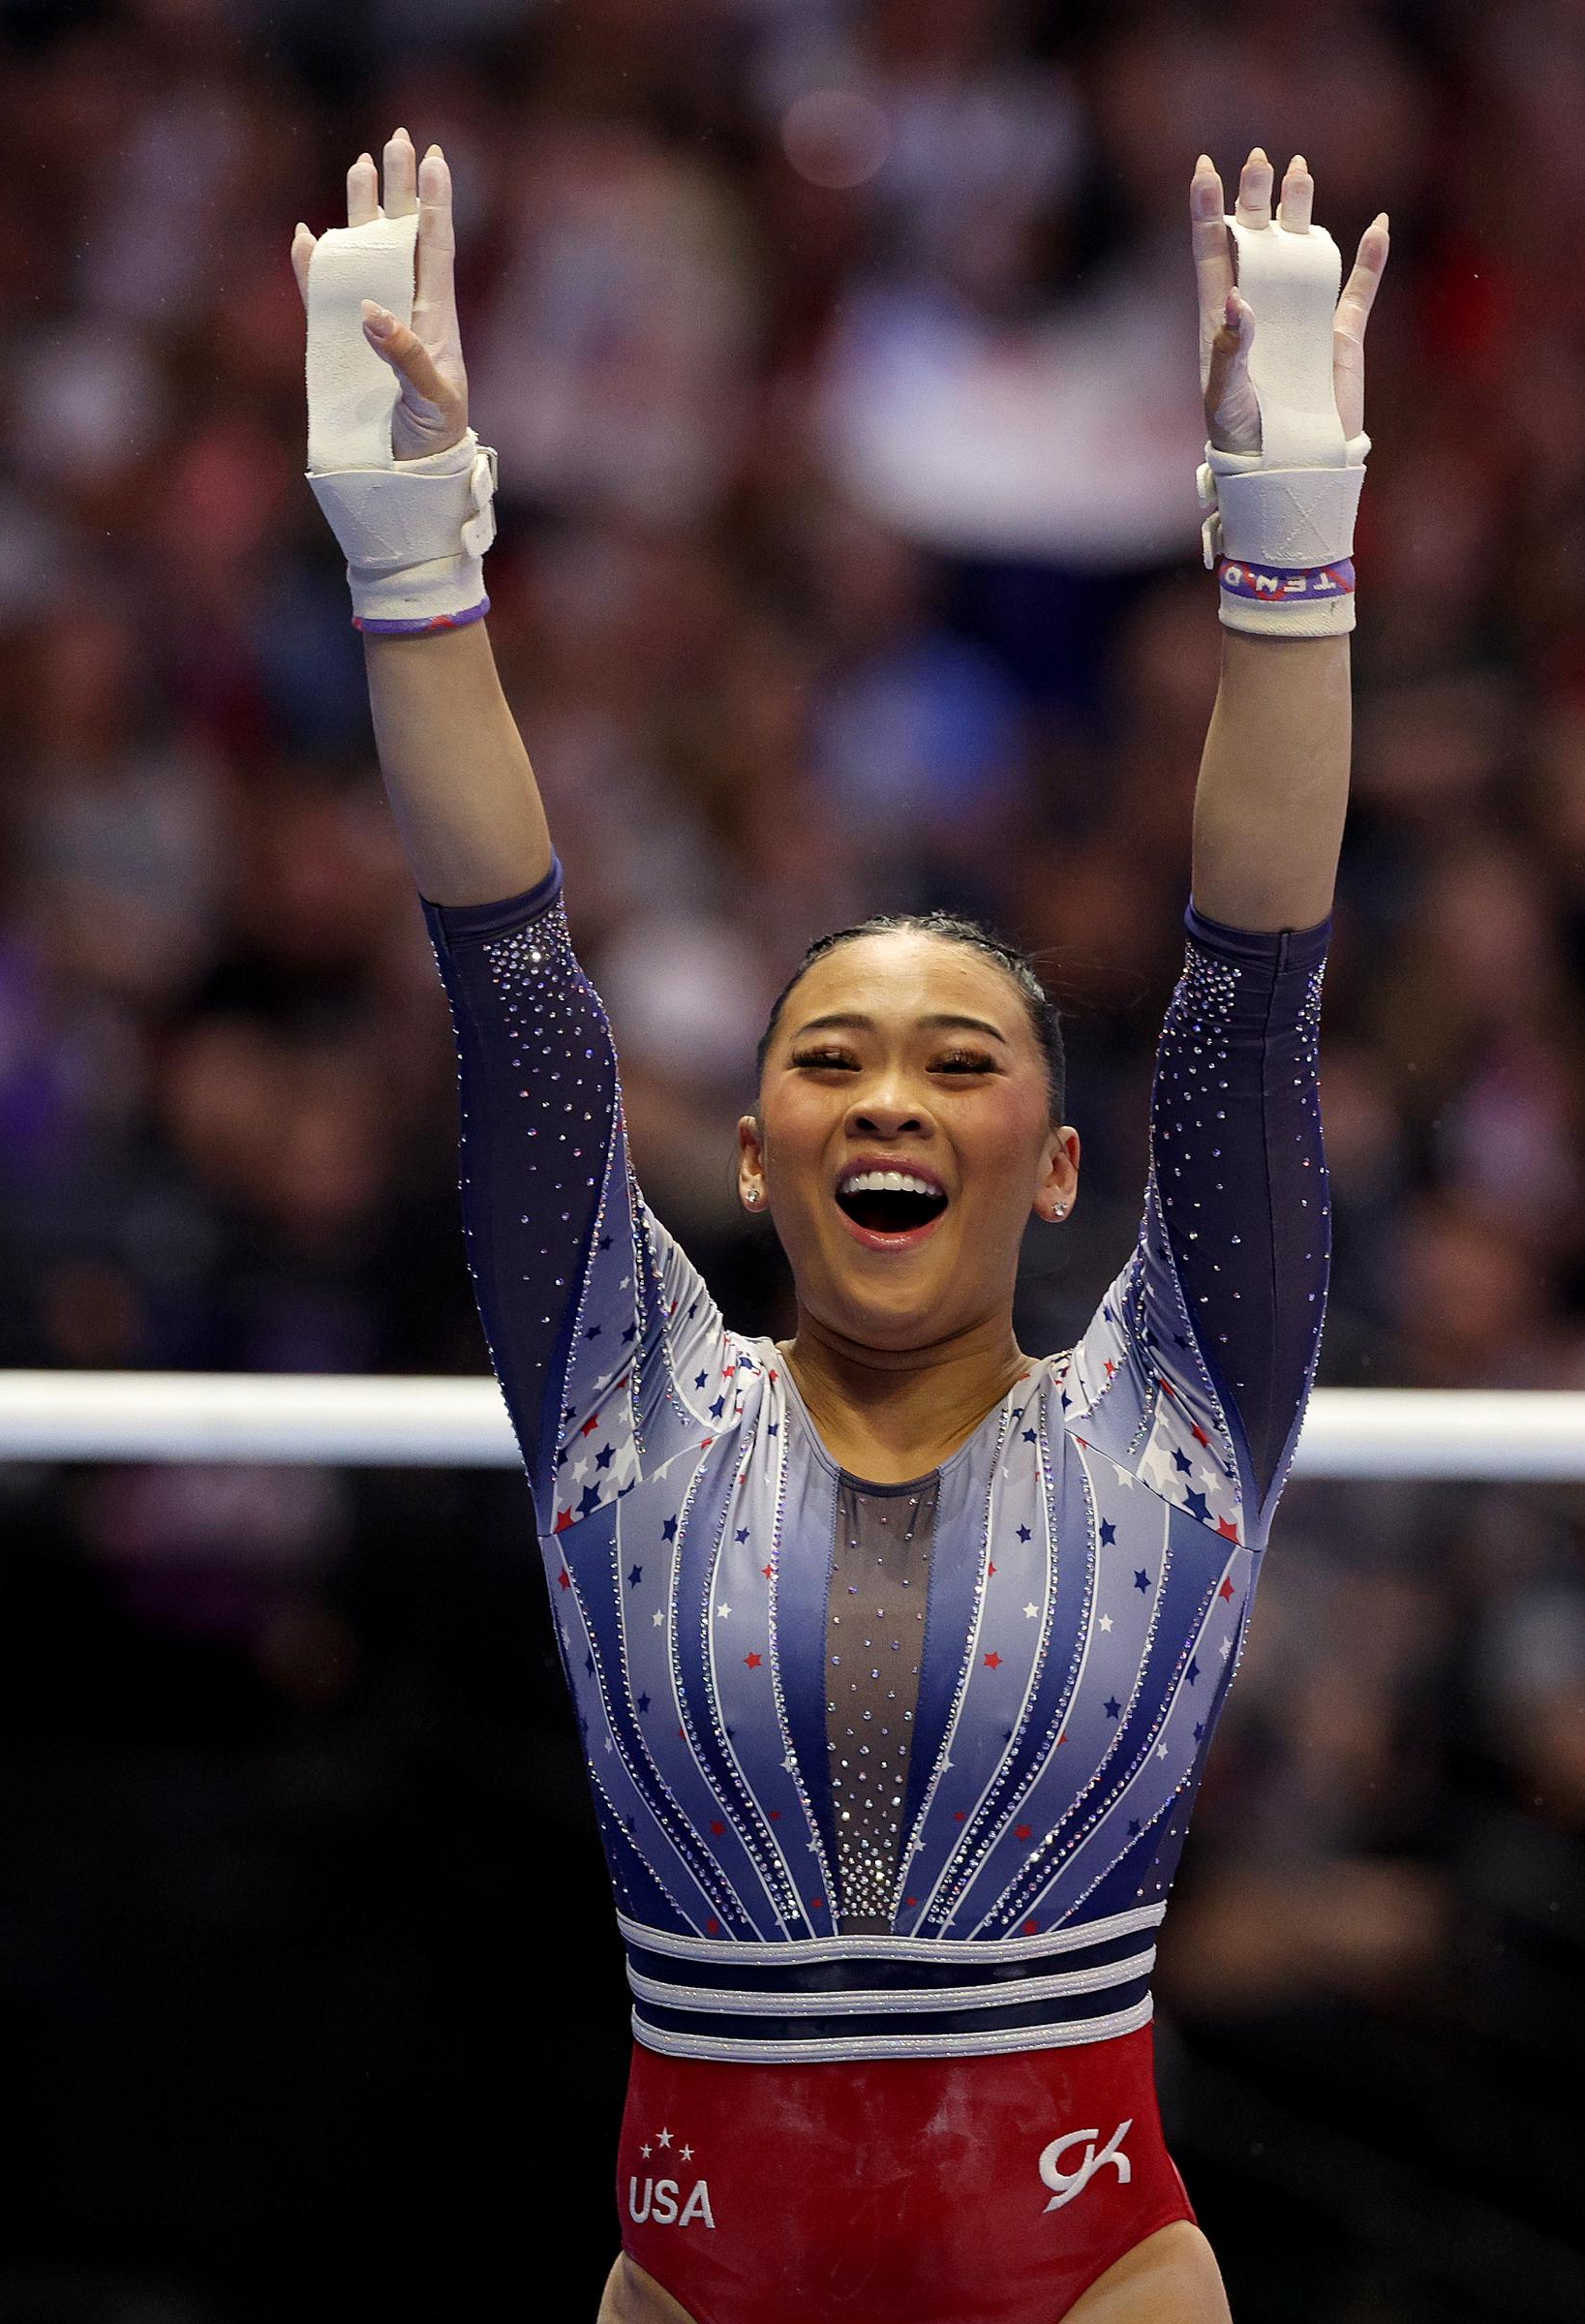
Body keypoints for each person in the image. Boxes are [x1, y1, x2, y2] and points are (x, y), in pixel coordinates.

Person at [291, 126, 1387, 2324]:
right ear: (758, 1159)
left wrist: (1292, 548)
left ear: (1058, 1170)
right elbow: (508, 971)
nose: (895, 1093)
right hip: (699, 2284)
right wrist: (413, 556)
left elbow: (1257, 984)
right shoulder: (622, 1402)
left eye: (965, 1063)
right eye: (834, 1062)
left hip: (1095, 2277)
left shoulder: (1173, 1415)